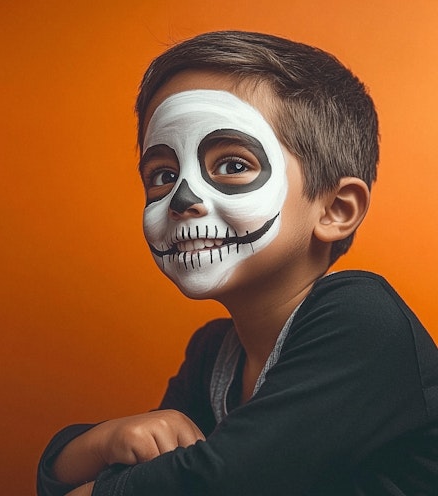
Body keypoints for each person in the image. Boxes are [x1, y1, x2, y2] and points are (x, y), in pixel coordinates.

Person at [37, 31, 438, 495]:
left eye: (232, 165)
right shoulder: (213, 355)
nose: (181, 198)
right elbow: (138, 475)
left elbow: (219, 481)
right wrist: (102, 442)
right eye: (163, 175)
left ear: (336, 210)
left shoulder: (362, 320)